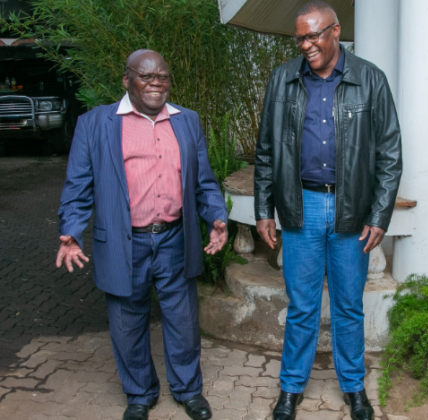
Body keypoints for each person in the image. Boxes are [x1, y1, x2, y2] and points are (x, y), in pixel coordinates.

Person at [56, 49, 227, 420]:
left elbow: (204, 182)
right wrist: (71, 230)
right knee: (126, 322)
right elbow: (77, 187)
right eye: (146, 77)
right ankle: (139, 394)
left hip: (173, 238)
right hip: (123, 241)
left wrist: (216, 216)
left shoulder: (188, 121)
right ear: (126, 80)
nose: (155, 84)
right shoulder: (95, 124)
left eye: (162, 77)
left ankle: (188, 390)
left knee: (182, 321)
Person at [254, 2, 402, 420]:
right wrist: (265, 209)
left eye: (314, 35)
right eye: (300, 37)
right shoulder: (282, 79)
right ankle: (290, 388)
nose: (306, 44)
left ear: (336, 31)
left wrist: (378, 215)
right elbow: (266, 150)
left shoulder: (370, 79)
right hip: (300, 205)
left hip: (351, 209)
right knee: (301, 305)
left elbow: (390, 154)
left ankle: (354, 388)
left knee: (348, 305)